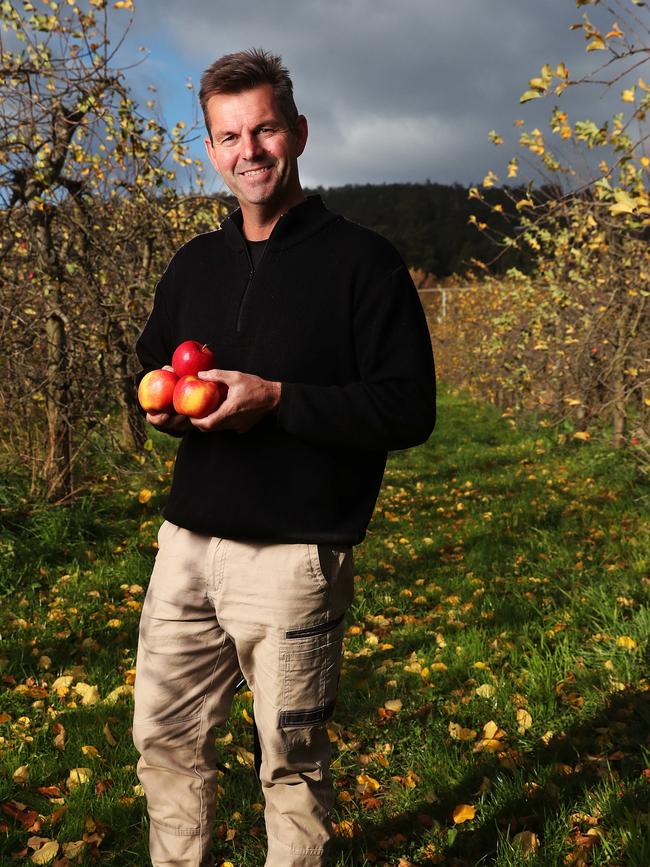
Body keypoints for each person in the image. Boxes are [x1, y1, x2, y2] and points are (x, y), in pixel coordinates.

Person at [132, 47, 436, 867]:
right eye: (229, 136)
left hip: (296, 553)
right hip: (186, 547)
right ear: (211, 149)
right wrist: (164, 403)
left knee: (291, 766)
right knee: (164, 742)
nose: (249, 151)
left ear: (297, 132)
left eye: (263, 129)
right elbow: (155, 372)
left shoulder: (363, 265)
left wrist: (279, 399)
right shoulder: (194, 262)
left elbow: (409, 407)